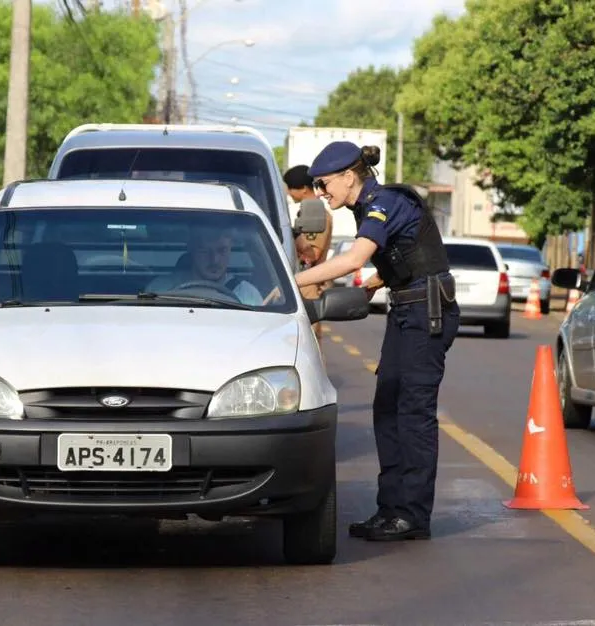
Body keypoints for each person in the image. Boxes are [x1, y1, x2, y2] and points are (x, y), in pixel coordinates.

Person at [294, 141, 460, 542]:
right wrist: (378, 280)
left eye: (323, 183)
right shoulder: (367, 205)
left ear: (349, 176)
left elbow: (353, 258)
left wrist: (289, 282)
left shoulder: (384, 201)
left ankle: (412, 515)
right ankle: (391, 509)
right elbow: (407, 251)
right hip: (407, 309)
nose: (320, 192)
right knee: (387, 407)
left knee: (412, 413)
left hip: (426, 313)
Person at [146, 225, 264, 306]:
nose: (214, 260)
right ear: (192, 250)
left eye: (222, 250)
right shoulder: (161, 290)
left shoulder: (248, 295)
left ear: (231, 249)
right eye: (205, 251)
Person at [283, 164, 334, 344]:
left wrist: (294, 235)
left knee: (307, 342)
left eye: (290, 188)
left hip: (308, 284)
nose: (288, 193)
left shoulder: (316, 215)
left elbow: (311, 254)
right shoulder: (305, 212)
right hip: (298, 281)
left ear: (303, 189)